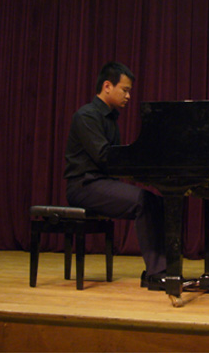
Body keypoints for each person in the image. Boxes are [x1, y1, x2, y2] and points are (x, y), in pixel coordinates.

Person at [64, 61, 167, 290]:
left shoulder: (110, 118)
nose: (128, 96)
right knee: (143, 201)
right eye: (125, 90)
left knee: (157, 202)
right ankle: (157, 273)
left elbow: (114, 162)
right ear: (107, 86)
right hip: (83, 185)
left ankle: (161, 269)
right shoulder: (86, 116)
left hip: (100, 183)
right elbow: (104, 156)